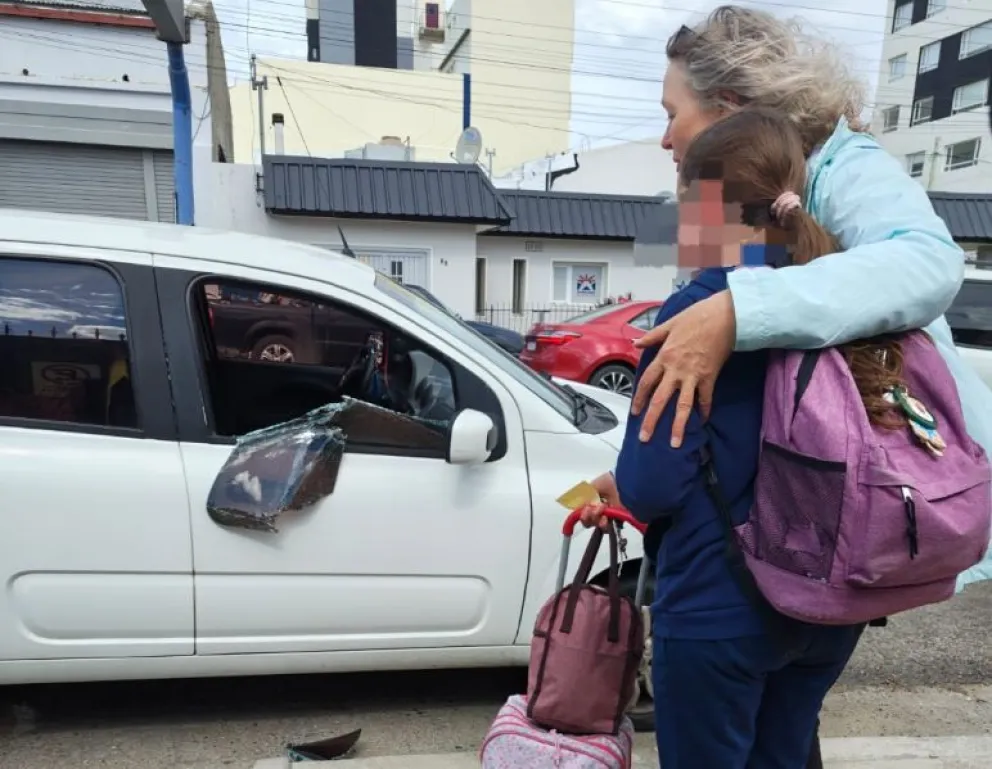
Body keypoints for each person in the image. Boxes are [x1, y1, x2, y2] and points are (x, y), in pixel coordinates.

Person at [626, 4, 992, 602]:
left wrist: (737, 312)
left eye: (672, 115)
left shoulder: (845, 169)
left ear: (727, 110)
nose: (665, 138)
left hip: (889, 502)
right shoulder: (745, 224)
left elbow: (928, 260)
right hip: (806, 524)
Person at [610, 106, 880, 769]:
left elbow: (652, 484)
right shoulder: (843, 295)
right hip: (827, 605)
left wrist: (623, 486)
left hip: (719, 606)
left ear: (710, 208)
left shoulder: (695, 314)